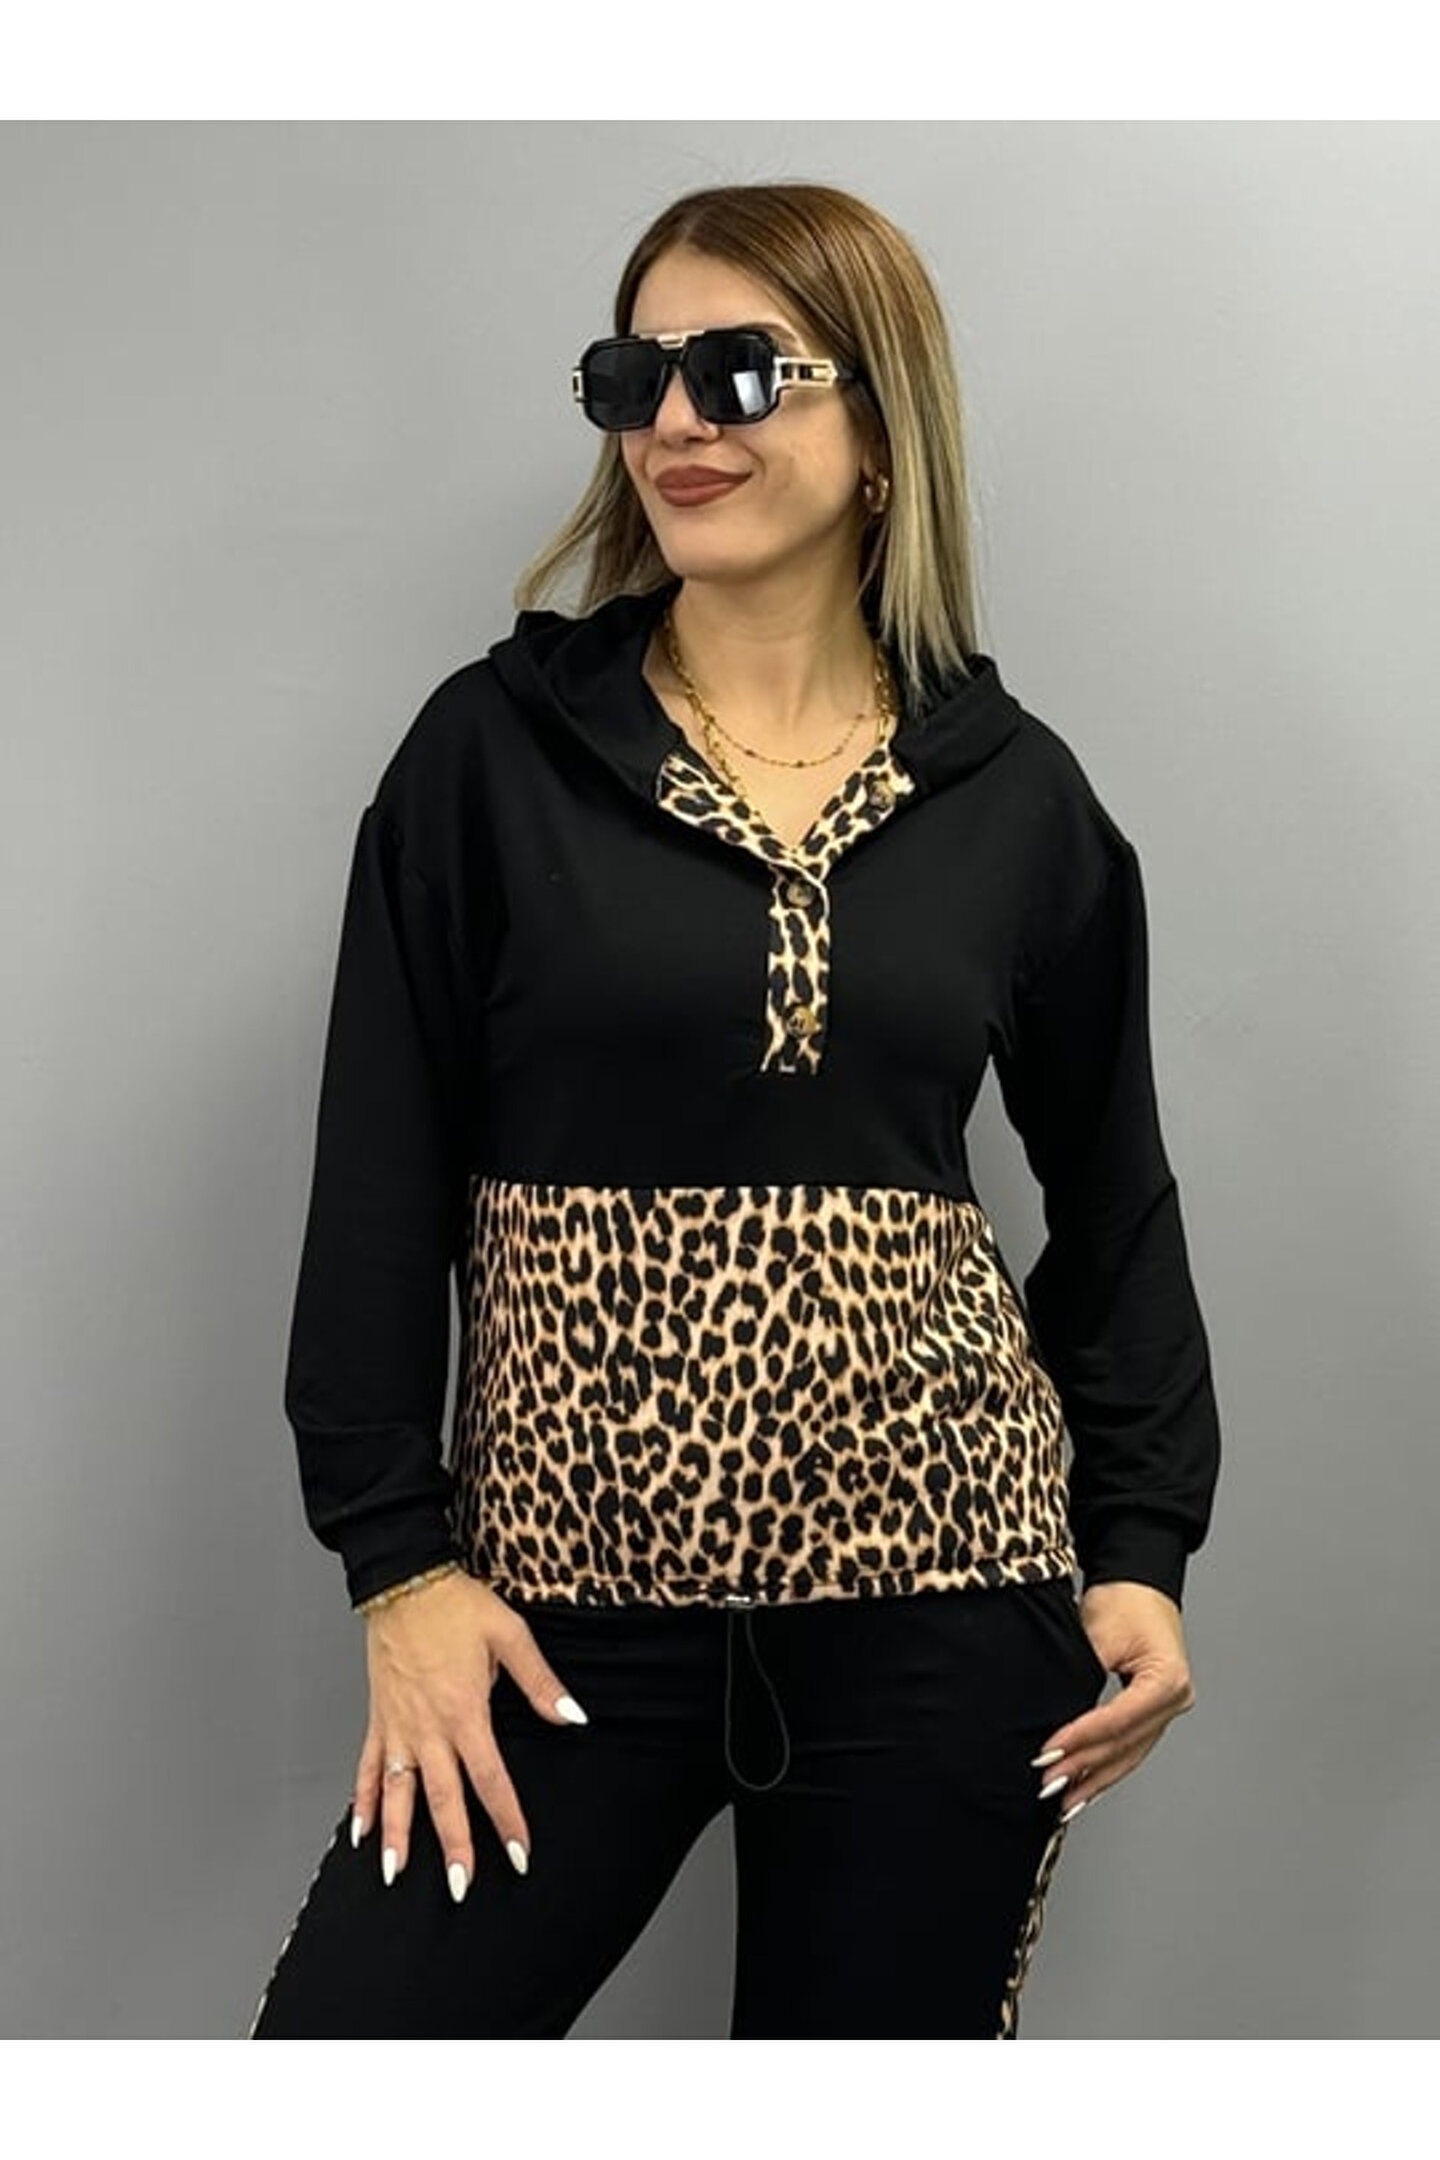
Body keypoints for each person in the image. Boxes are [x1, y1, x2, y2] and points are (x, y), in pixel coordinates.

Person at [246, 179, 1220, 2040]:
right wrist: (399, 1565)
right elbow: (378, 1171)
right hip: (557, 1607)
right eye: (637, 376)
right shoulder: (494, 754)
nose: (678, 420)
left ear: (883, 429)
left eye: (742, 371)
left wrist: (1140, 1552)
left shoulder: (1017, 797)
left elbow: (1118, 1202)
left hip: (943, 1594)